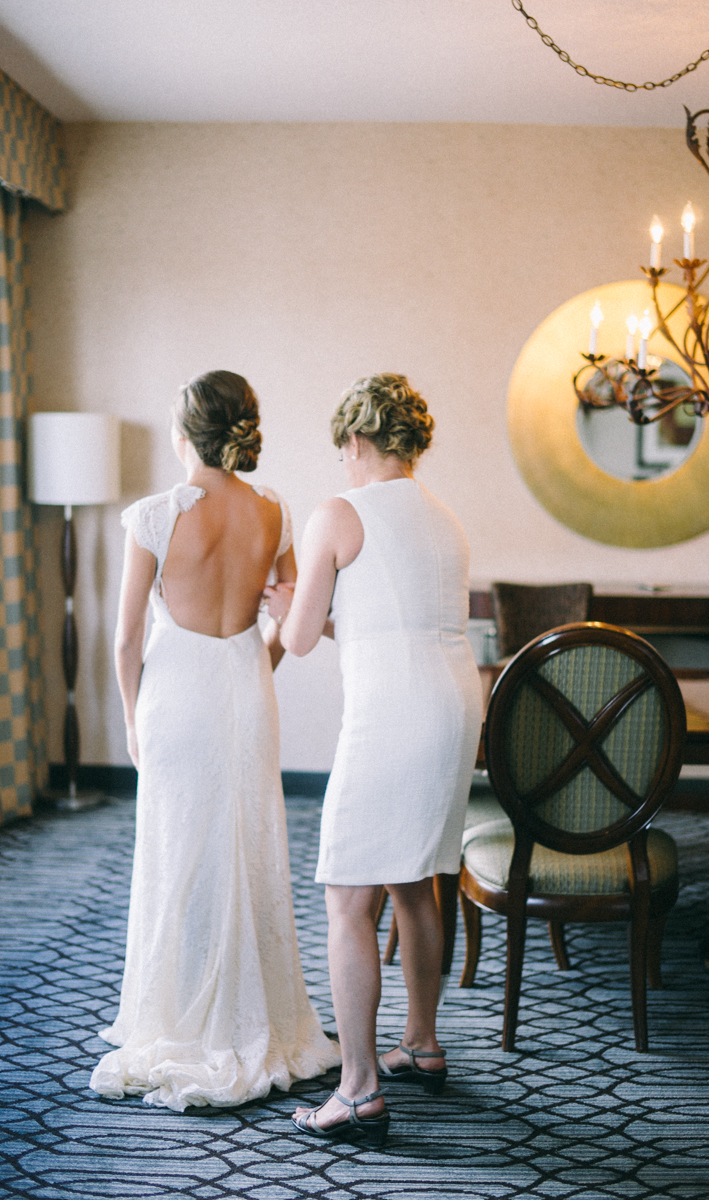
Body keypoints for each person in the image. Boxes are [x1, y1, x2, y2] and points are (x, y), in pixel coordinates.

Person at [90, 370, 340, 1111]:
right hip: (244, 689)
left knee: (178, 849)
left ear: (183, 433)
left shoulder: (154, 516)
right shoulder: (275, 511)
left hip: (176, 696)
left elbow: (127, 637)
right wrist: (251, 666)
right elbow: (291, 622)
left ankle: (183, 1015)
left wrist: (133, 720)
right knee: (248, 844)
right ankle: (250, 1013)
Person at [265, 373, 482, 1147]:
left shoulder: (340, 513)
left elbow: (295, 639)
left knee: (349, 900)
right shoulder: (444, 518)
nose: (343, 468)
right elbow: (377, 624)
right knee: (418, 880)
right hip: (455, 705)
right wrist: (310, 613)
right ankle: (421, 1043)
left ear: (357, 442)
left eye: (343, 452)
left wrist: (281, 601)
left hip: (392, 714)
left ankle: (357, 1089)